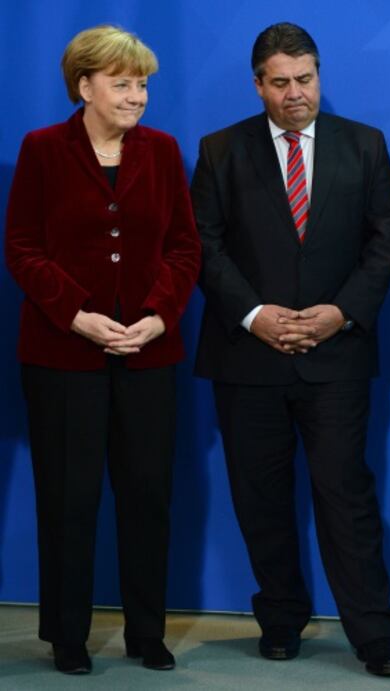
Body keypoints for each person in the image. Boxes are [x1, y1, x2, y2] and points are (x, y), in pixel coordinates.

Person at [191, 22, 390, 677]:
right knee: (261, 497)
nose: (295, 94)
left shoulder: (365, 147)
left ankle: (372, 634)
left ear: (320, 75)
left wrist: (339, 313)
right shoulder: (221, 150)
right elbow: (204, 243)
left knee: (347, 496)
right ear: (258, 84)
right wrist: (255, 315)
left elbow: (385, 241)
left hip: (336, 357)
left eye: (305, 79)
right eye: (280, 82)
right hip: (247, 358)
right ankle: (280, 620)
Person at [5, 25, 200, 675]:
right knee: (68, 496)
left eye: (143, 84)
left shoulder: (165, 151)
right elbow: (23, 249)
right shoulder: (41, 150)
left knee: (147, 493)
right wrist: (78, 315)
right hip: (64, 356)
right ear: (84, 86)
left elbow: (183, 247)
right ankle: (67, 635)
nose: (138, 95)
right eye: (123, 84)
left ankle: (149, 631)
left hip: (148, 354)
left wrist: (156, 317)